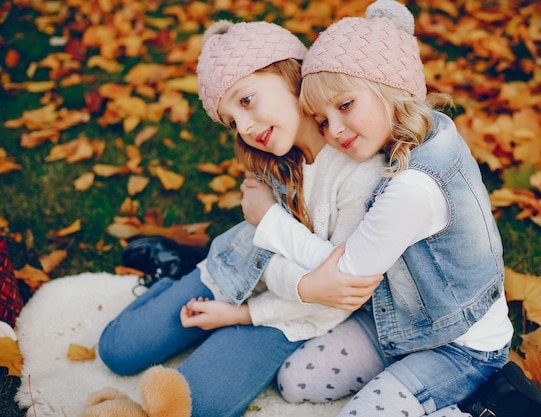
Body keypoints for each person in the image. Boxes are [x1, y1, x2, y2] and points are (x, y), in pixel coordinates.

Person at [238, 1, 514, 415]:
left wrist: (270, 220)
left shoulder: (414, 188)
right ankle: (404, 372)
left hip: (460, 347)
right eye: (323, 119)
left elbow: (345, 274)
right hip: (402, 318)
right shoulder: (423, 133)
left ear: (392, 86)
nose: (335, 130)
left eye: (345, 105)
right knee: (296, 381)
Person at [97, 19, 383, 417]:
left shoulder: (358, 165)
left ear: (290, 72)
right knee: (117, 350)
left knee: (200, 407)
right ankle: (179, 269)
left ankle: (221, 332)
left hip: (288, 312)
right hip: (236, 268)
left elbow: (338, 291)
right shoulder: (271, 159)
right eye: (232, 121)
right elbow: (271, 251)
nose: (245, 128)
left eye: (246, 101)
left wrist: (241, 315)